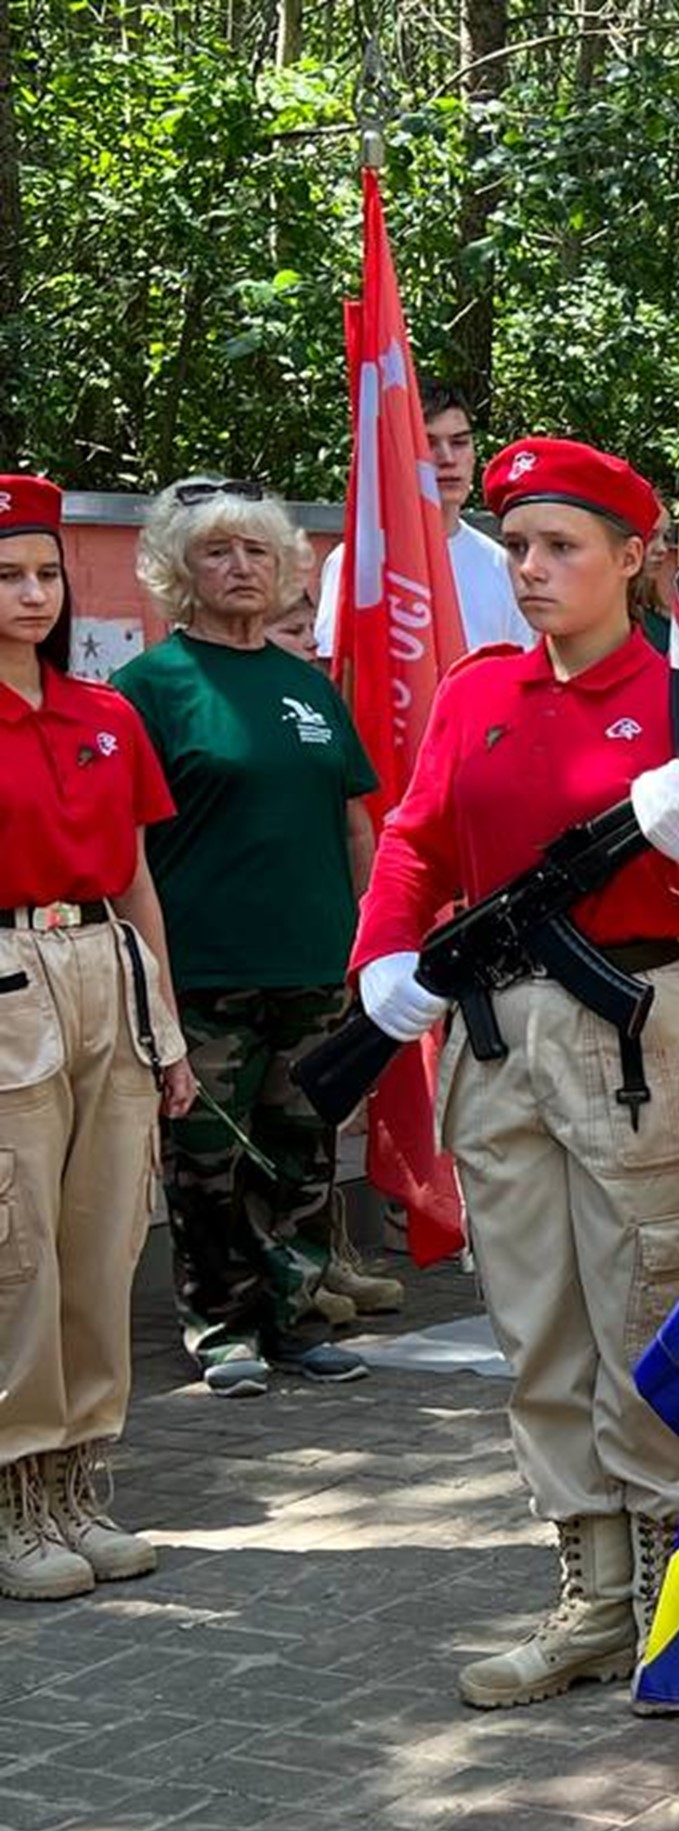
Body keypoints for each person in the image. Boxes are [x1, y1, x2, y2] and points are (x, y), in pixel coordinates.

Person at [351, 437, 679, 1708]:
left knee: (645, 1309)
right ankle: (592, 1596)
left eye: (562, 548)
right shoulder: (477, 692)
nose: (532, 571)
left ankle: (674, 1592)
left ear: (633, 559)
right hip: (493, 1037)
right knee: (536, 1317)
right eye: (520, 547)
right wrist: (383, 955)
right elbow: (417, 842)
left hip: (636, 1030)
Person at [114, 479, 382, 1396]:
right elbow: (127, 848)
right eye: (217, 552)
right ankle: (222, 1328)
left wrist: (366, 942)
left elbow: (356, 826)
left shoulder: (307, 687)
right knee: (211, 1165)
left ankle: (297, 1317)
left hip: (312, 965)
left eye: (257, 552)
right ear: (178, 571)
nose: (240, 568)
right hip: (203, 971)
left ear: (284, 570)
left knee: (302, 1149)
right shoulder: (147, 690)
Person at [0, 474, 199, 1602]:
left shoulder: (106, 714)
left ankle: (80, 1483)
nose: (33, 595)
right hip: (7, 982)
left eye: (45, 574)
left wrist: (166, 1031)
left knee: (101, 1242)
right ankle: (15, 1497)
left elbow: (135, 883)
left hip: (106, 973)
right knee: (15, 1251)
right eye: (8, 577)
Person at [313, 380, 535, 658]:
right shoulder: (360, 560)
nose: (448, 458)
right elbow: (337, 670)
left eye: (459, 442)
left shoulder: (500, 563)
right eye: (428, 443)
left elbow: (520, 674)